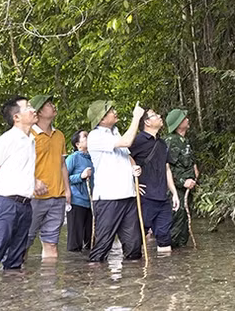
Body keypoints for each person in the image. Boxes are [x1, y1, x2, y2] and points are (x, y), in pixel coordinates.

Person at [0, 97, 47, 277]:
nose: (33, 109)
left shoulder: (30, 141)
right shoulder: (4, 141)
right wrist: (2, 196)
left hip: (25, 205)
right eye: (28, 107)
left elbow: (16, 170)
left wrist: (33, 182)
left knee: (15, 260)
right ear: (16, 117)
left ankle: (13, 299)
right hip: (4, 205)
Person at [86, 100, 145, 262]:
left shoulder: (116, 132)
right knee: (103, 246)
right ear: (102, 119)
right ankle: (95, 282)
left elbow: (126, 154)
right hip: (108, 199)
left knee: (134, 247)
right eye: (111, 110)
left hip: (128, 196)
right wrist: (136, 118)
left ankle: (131, 284)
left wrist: (134, 167)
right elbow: (127, 142)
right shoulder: (95, 136)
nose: (115, 112)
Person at [25, 95, 71, 258]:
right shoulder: (28, 136)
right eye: (49, 104)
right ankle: (17, 280)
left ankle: (48, 282)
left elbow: (62, 164)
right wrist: (33, 182)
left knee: (51, 243)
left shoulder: (59, 135)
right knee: (25, 241)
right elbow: (20, 166)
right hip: (34, 197)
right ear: (39, 111)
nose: (53, 106)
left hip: (57, 196)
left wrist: (67, 190)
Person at [130, 108, 180, 254]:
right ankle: (137, 271)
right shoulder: (137, 141)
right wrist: (132, 183)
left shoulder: (162, 143)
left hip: (162, 198)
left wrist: (174, 193)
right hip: (145, 197)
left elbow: (167, 169)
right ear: (147, 122)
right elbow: (124, 157)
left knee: (164, 237)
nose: (159, 116)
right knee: (137, 237)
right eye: (155, 115)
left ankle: (163, 273)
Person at [164, 109, 199, 248]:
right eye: (184, 118)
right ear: (178, 124)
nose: (188, 119)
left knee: (184, 227)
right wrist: (182, 181)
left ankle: (182, 263)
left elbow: (190, 161)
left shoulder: (185, 141)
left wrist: (195, 173)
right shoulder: (170, 141)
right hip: (175, 192)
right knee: (175, 226)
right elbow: (167, 168)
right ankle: (168, 261)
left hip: (187, 191)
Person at [65, 130, 94, 252]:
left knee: (91, 239)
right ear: (77, 144)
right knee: (75, 240)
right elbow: (63, 178)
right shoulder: (73, 158)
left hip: (91, 202)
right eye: (85, 137)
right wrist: (80, 176)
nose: (89, 138)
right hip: (77, 201)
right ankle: (74, 268)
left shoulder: (93, 158)